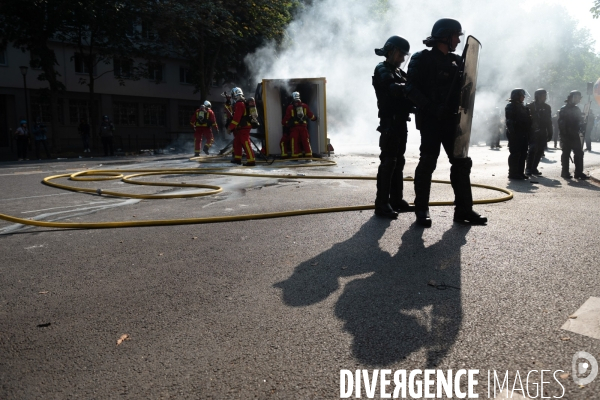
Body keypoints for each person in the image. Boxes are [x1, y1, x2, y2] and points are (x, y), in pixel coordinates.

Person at [405, 18, 487, 227]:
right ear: (445, 36)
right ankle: (421, 209)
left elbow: (466, 90)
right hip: (431, 120)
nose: (458, 41)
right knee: (428, 163)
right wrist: (431, 107)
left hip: (452, 121)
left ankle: (463, 210)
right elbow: (411, 89)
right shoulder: (420, 59)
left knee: (461, 163)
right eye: (455, 36)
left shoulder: (457, 61)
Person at [371, 35, 414, 219]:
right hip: (389, 122)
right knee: (388, 162)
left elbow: (409, 87)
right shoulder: (382, 68)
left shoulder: (398, 72)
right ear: (392, 51)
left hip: (400, 122)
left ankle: (396, 199)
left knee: (399, 161)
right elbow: (392, 88)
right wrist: (411, 87)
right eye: (401, 54)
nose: (403, 59)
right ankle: (382, 203)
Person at [558, 90, 588, 179]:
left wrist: (582, 124)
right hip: (566, 135)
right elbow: (561, 123)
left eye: (579, 98)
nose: (578, 100)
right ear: (571, 98)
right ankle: (565, 172)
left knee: (579, 153)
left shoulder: (577, 109)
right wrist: (564, 135)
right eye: (577, 97)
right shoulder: (564, 109)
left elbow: (579, 121)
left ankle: (578, 172)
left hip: (575, 134)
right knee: (566, 154)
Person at [505, 89, 532, 180]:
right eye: (522, 95)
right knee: (515, 154)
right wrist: (512, 134)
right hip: (515, 133)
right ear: (517, 96)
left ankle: (520, 172)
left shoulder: (524, 107)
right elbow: (509, 121)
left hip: (523, 133)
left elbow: (528, 121)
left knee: (523, 153)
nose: (523, 97)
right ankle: (512, 173)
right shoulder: (510, 106)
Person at [525, 89, 553, 175]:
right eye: (543, 95)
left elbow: (549, 121)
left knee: (540, 150)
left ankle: (534, 168)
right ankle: (528, 168)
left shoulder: (547, 107)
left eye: (545, 95)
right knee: (532, 149)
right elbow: (526, 120)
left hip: (542, 130)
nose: (545, 97)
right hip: (532, 131)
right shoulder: (530, 106)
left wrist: (550, 131)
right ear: (538, 96)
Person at [282, 92, 317, 158]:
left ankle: (295, 156)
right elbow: (310, 115)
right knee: (306, 141)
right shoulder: (305, 106)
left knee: (294, 142)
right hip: (303, 128)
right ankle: (309, 155)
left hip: (294, 128)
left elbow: (286, 118)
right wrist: (315, 118)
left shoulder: (290, 107)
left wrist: (284, 123)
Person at [227, 87, 256, 166]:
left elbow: (236, 118)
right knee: (237, 142)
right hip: (241, 127)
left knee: (246, 143)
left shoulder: (239, 103)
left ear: (234, 94)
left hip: (244, 127)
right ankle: (237, 159)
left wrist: (230, 127)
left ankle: (251, 161)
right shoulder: (242, 102)